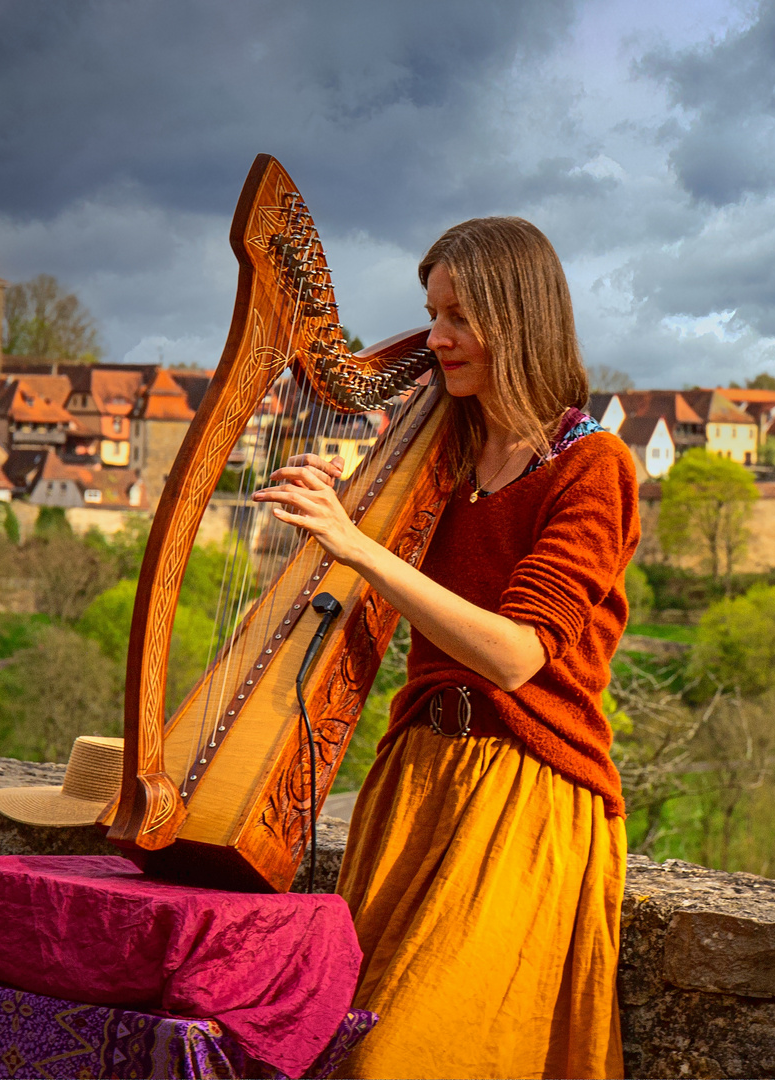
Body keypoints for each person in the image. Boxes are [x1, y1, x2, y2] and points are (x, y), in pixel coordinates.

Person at [253, 216, 636, 1079]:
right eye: (432, 314)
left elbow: (514, 654)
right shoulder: (444, 455)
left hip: (522, 786)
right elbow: (377, 588)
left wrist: (358, 544)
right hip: (414, 777)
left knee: (393, 1059)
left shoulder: (593, 465)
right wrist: (339, 508)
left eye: (459, 317)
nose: (436, 340)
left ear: (518, 318)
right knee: (334, 1043)